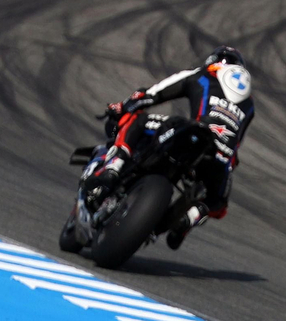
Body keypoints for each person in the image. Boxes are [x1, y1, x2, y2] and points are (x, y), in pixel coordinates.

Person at [84, 45, 255, 249]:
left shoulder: (203, 74)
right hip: (220, 157)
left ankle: (114, 168)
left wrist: (122, 106)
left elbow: (153, 94)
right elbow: (234, 148)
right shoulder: (249, 105)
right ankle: (190, 218)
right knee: (216, 201)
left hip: (192, 132)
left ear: (213, 61)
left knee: (136, 119)